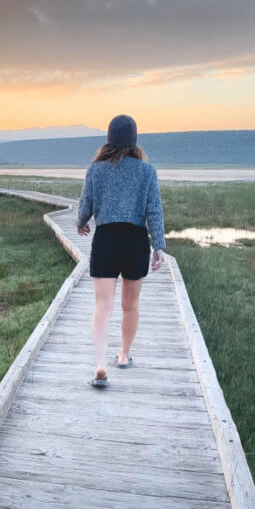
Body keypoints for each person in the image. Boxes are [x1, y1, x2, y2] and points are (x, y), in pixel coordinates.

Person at [76, 114, 165, 388]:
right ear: (134, 140)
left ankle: (101, 364)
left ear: (109, 139)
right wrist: (158, 245)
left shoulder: (96, 169)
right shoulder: (147, 171)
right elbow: (154, 211)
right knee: (131, 306)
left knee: (103, 306)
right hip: (135, 240)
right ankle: (124, 355)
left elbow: (85, 203)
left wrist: (81, 222)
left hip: (106, 239)